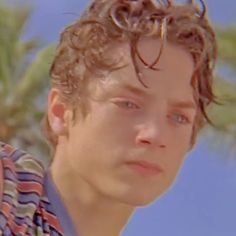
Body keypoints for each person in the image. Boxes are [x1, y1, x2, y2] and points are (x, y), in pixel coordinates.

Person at [0, 0, 217, 235]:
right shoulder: (11, 195)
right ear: (60, 111)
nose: (154, 134)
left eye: (178, 117)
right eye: (128, 104)